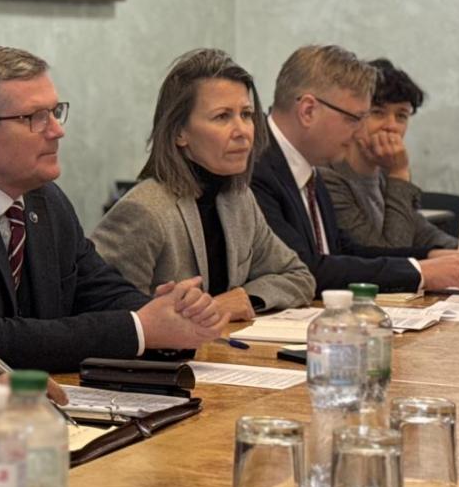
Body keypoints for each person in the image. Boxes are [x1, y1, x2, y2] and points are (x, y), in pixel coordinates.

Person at [0, 46, 227, 387]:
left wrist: (170, 313)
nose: (57, 130)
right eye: (34, 118)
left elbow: (99, 291)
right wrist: (141, 329)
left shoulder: (44, 199)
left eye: (55, 112)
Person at [90, 50, 314, 320]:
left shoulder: (239, 199)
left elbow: (299, 276)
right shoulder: (143, 211)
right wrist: (202, 311)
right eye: (222, 117)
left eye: (246, 114)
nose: (243, 131)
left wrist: (243, 299)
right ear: (179, 132)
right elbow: (105, 314)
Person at [251, 45, 459, 293]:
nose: (359, 132)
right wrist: (420, 272)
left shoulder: (308, 166)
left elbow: (344, 252)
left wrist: (431, 257)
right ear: (308, 111)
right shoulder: (255, 170)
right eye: (354, 118)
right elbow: (303, 269)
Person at [320, 58, 457, 250]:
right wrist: (399, 174)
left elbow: (420, 231)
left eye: (401, 116)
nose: (391, 126)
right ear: (354, 115)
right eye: (377, 112)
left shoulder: (386, 170)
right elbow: (390, 254)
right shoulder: (328, 177)